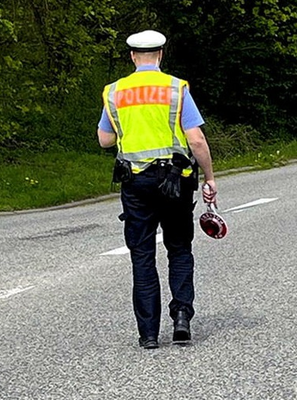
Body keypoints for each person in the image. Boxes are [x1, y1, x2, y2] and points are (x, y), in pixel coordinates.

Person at [97, 30, 217, 349]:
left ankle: (148, 333)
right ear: (161, 55)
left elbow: (104, 139)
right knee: (179, 248)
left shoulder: (114, 92)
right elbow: (196, 139)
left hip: (135, 183)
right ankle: (181, 319)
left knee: (142, 255)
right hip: (175, 180)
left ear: (133, 57)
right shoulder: (176, 88)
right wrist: (210, 178)